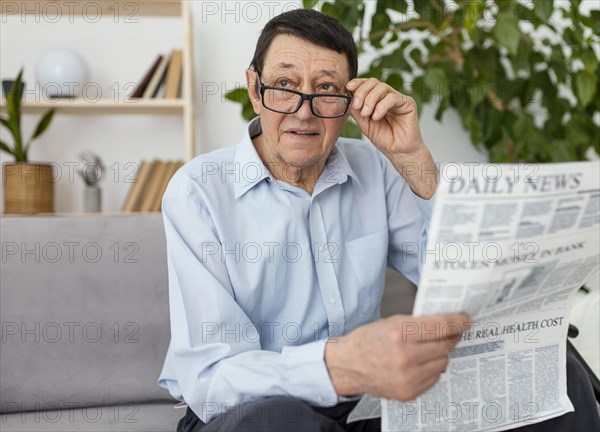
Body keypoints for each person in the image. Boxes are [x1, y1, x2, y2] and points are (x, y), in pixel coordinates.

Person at [159, 8, 600, 432]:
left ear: (350, 101)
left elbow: (464, 284)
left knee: (558, 377)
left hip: (367, 404)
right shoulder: (199, 190)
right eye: (285, 85)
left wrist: (414, 161)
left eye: (327, 90)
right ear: (254, 89)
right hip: (251, 413)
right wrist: (339, 366)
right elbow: (212, 378)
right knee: (283, 420)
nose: (304, 111)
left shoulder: (376, 166)